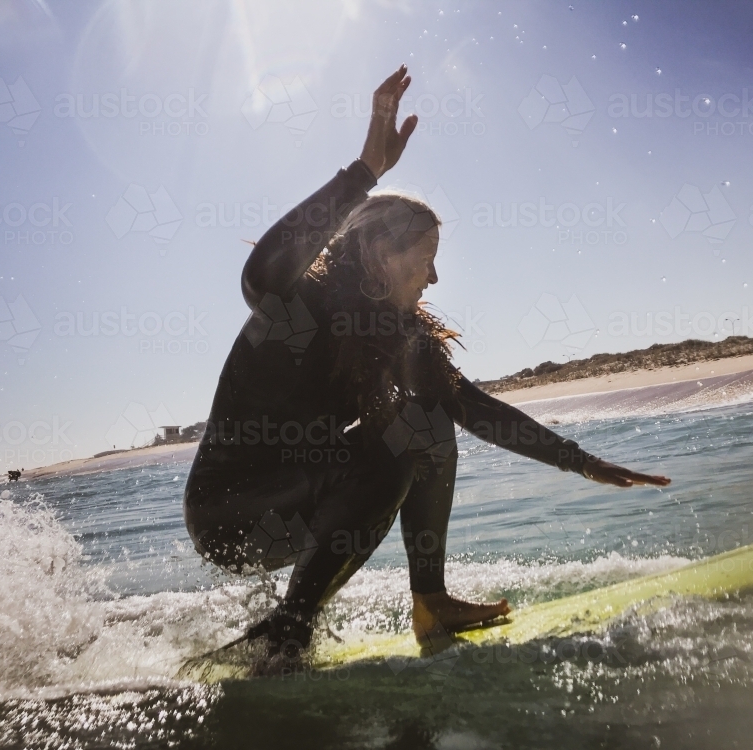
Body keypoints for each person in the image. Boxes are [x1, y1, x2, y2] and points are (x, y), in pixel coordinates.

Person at [183, 65, 669, 658]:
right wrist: (364, 172)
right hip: (230, 515)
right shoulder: (297, 306)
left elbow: (467, 406)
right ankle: (291, 628)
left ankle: (430, 603)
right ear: (375, 252)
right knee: (393, 448)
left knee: (428, 426)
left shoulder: (396, 332)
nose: (434, 276)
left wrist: (582, 462)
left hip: (302, 501)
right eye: (424, 258)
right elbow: (260, 272)